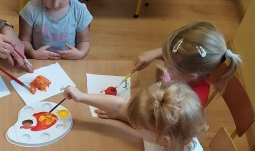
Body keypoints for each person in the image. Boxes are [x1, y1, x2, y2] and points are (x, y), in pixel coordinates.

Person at [66, 21, 242, 120]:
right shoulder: (193, 68)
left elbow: (147, 122)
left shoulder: (181, 106)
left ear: (190, 76)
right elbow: (180, 56)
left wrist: (120, 114)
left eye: (169, 65)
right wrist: (157, 53)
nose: (164, 64)